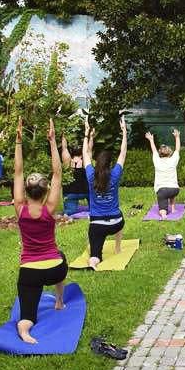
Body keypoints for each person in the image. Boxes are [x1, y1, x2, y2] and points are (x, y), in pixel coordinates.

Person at [13, 118, 66, 344]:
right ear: (44, 192)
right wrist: (52, 141)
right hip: (54, 269)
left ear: (26, 189)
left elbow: (17, 171)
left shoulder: (19, 207)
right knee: (61, 255)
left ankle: (25, 330)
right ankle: (59, 300)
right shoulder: (50, 208)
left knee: (27, 315)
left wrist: (18, 141)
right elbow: (57, 173)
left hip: (30, 272)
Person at [83, 115, 128, 269]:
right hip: (116, 222)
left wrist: (87, 134)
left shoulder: (90, 175)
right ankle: (117, 247)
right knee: (120, 214)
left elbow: (85, 155)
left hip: (97, 225)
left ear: (97, 163)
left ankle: (93, 263)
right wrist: (124, 132)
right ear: (109, 164)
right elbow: (123, 154)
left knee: (95, 255)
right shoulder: (114, 175)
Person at [146, 128, 181, 218]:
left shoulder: (157, 160)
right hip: (175, 190)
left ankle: (164, 214)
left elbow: (153, 150)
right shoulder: (173, 160)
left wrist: (151, 140)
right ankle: (173, 209)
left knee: (162, 205)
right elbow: (177, 149)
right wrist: (177, 137)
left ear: (160, 153)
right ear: (169, 153)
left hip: (162, 191)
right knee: (171, 192)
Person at [60, 135, 88, 216]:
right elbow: (88, 149)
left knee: (69, 212)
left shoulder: (67, 162)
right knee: (94, 209)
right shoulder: (85, 161)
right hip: (85, 192)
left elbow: (64, 148)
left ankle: (69, 211)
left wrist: (63, 135)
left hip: (70, 193)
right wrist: (89, 136)